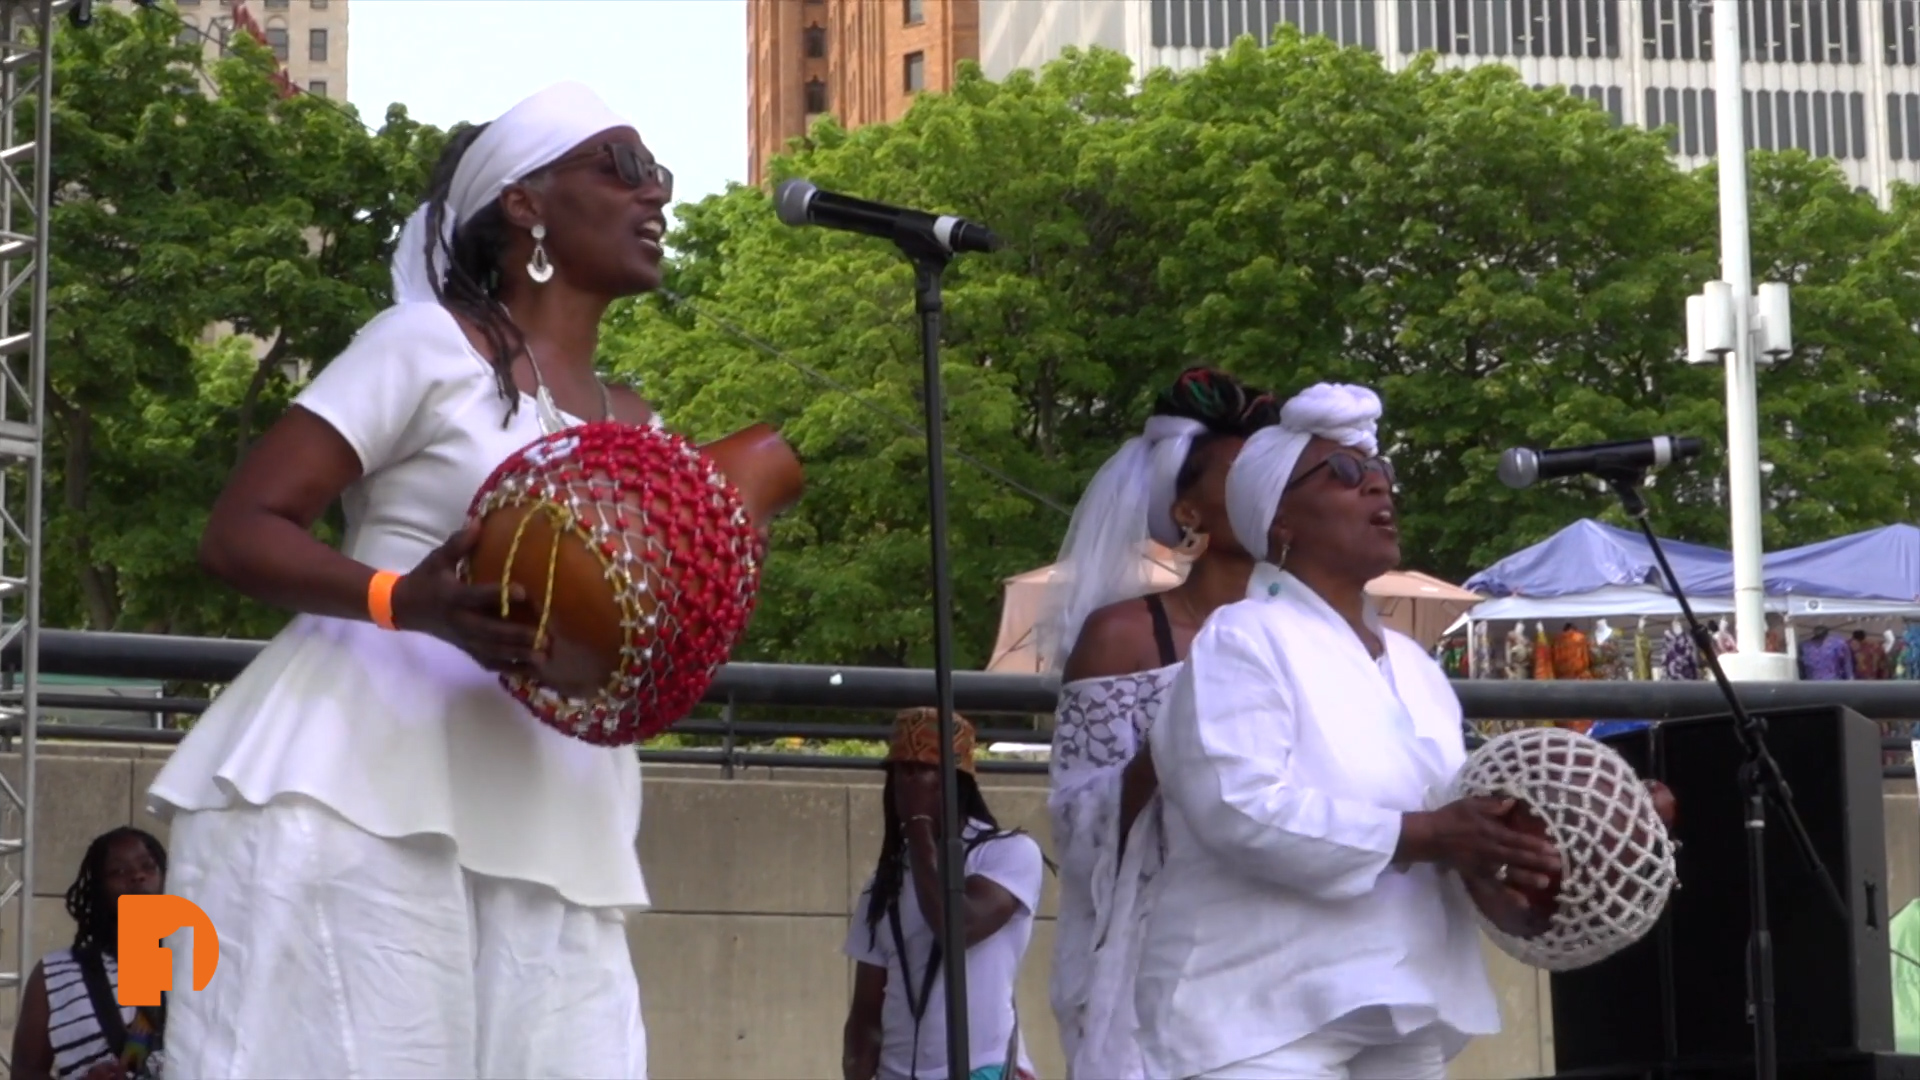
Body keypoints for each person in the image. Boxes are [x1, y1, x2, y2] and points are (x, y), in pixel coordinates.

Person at [143, 82, 671, 1078]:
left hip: (555, 817)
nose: (655, 196)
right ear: (526, 202)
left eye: (660, 174)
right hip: (355, 790)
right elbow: (241, 529)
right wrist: (405, 601)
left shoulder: (637, 425)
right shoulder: (427, 347)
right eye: (621, 166)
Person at [1134, 383, 1562, 1080]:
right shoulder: (1243, 638)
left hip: (1409, 1006)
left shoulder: (1417, 668)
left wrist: (1512, 868)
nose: (1375, 487)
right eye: (1342, 473)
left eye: (1381, 474)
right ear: (1279, 522)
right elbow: (1239, 808)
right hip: (1259, 1016)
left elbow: (1450, 822)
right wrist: (1429, 835)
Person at [1039, 368, 1279, 1080]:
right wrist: (1173, 744)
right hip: (1164, 947)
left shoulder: (1310, 630)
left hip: (1284, 939)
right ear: (1188, 513)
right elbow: (1079, 823)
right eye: (1240, 477)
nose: (1263, 492)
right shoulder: (1123, 635)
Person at [841, 709, 1045, 1080]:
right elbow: (866, 1012)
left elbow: (957, 930)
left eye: (922, 770)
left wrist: (919, 827)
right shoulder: (884, 883)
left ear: (956, 782)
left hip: (982, 1068)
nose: (908, 782)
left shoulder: (1007, 853)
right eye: (900, 771)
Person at [10, 827, 169, 1080]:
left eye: (148, 866)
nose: (137, 876)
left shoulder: (196, 966)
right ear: (98, 889)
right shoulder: (53, 975)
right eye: (118, 871)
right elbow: (24, 1072)